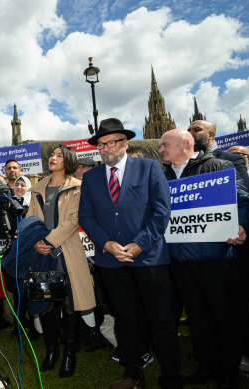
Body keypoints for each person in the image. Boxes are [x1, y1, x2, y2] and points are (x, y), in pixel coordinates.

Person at [79, 118, 183, 389]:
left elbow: (162, 211)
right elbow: (86, 217)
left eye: (111, 142)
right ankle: (133, 373)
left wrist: (140, 244)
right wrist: (108, 244)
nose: (105, 148)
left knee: (161, 319)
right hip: (111, 261)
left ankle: (171, 377)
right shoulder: (90, 177)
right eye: (101, 145)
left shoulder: (148, 168)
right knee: (125, 320)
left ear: (125, 143)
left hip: (148, 259)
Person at [159, 129, 249, 388]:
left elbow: (244, 201)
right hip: (179, 261)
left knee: (222, 318)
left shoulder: (218, 166)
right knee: (197, 318)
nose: (160, 149)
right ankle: (206, 365)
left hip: (214, 260)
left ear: (186, 144)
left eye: (165, 144)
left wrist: (241, 225)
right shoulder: (161, 176)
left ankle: (227, 374)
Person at [25, 145, 96, 378]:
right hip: (41, 253)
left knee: (69, 303)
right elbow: (30, 220)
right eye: (51, 155)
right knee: (46, 303)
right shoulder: (37, 188)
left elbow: (73, 220)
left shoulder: (77, 186)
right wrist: (35, 242)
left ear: (68, 160)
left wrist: (48, 240)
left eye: (58, 156)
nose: (52, 158)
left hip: (67, 252)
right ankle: (52, 351)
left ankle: (69, 354)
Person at [188, 120, 249, 187]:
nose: (190, 133)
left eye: (197, 130)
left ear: (211, 135)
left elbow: (242, 191)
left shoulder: (232, 160)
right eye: (188, 130)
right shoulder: (184, 162)